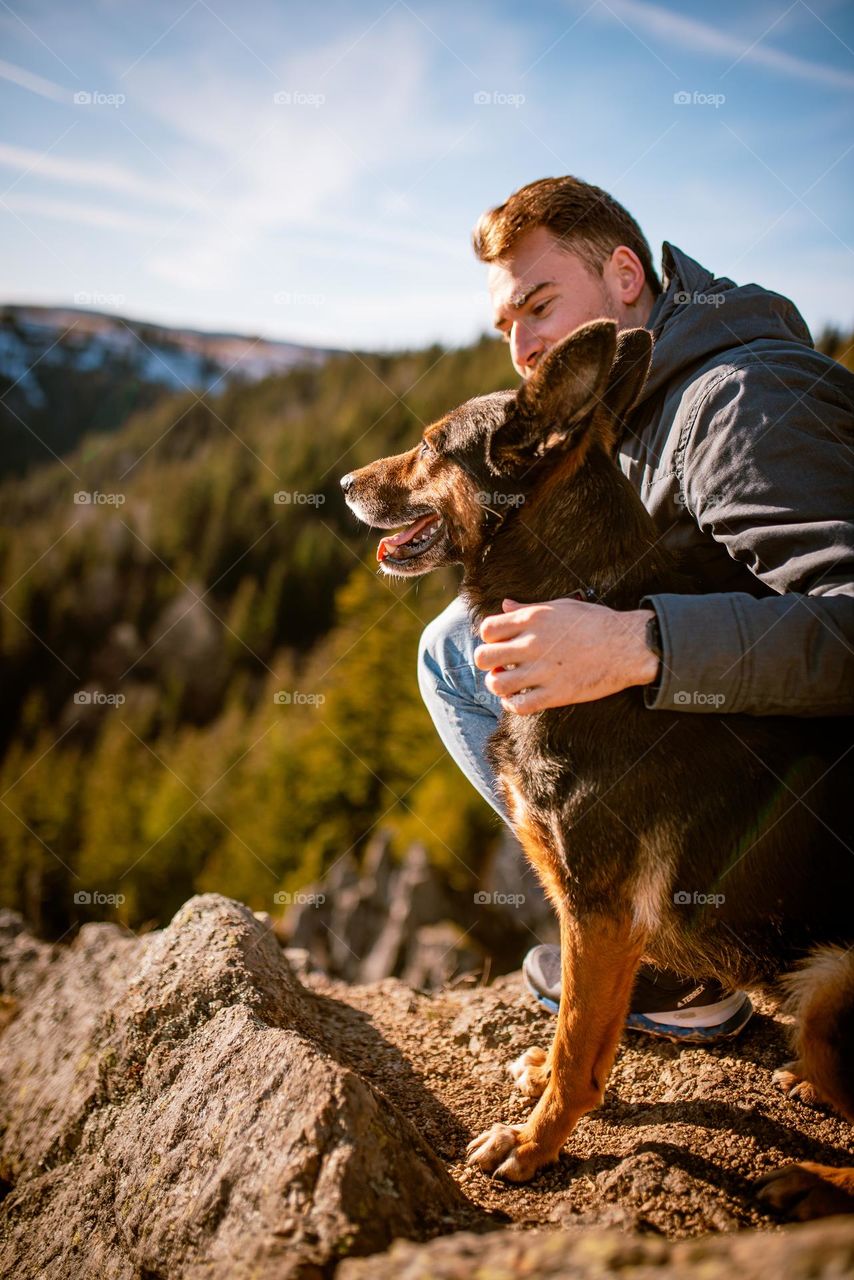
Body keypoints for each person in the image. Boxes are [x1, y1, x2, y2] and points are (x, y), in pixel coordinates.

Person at [418, 175, 854, 1043]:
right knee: (458, 643)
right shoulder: (627, 389)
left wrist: (640, 644)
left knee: (456, 661)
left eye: (539, 306)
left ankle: (662, 939)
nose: (524, 346)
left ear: (624, 276)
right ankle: (645, 933)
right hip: (735, 749)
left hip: (808, 796)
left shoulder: (738, 405)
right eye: (507, 326)